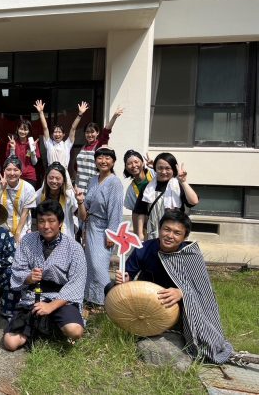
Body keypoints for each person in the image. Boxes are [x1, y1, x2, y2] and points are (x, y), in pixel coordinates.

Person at [110, 210, 233, 364]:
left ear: (185, 237)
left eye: (177, 233)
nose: (170, 236)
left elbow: (203, 291)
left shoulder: (190, 255)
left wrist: (182, 293)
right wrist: (125, 279)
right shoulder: (144, 248)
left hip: (176, 305)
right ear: (159, 229)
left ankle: (181, 333)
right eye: (166, 229)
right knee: (110, 288)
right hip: (145, 300)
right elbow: (128, 274)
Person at [3, 200, 86, 351]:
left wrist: (51, 306)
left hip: (61, 299)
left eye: (51, 221)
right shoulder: (27, 241)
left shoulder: (74, 248)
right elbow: (17, 269)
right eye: (41, 221)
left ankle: (51, 327)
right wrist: (29, 277)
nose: (46, 226)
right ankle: (40, 328)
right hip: (33, 296)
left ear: (60, 223)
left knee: (75, 331)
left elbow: (77, 283)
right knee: (10, 343)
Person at [76, 147, 123, 309]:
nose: (103, 161)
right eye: (100, 158)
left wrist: (112, 233)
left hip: (104, 228)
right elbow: (86, 208)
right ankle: (91, 300)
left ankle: (107, 301)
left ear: (113, 162)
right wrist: (80, 201)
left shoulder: (115, 182)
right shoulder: (93, 180)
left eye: (107, 158)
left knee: (99, 266)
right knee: (90, 265)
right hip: (90, 226)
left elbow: (116, 209)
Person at [133, 152, 199, 240]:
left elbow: (194, 201)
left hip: (174, 235)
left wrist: (183, 182)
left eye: (168, 168)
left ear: (173, 169)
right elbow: (141, 211)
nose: (164, 172)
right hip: (153, 234)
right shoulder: (147, 188)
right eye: (160, 168)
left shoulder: (178, 186)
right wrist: (140, 233)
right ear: (155, 168)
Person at [75, 107, 123, 195]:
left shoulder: (99, 146)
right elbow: (77, 168)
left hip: (93, 187)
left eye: (92, 132)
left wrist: (114, 116)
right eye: (87, 132)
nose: (90, 135)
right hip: (80, 188)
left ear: (97, 133)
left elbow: (106, 131)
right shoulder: (83, 147)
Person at [0, 156, 36, 244]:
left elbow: (25, 213)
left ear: (21, 172)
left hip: (22, 228)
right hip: (1, 227)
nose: (12, 173)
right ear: (4, 171)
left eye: (15, 170)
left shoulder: (28, 188)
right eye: (8, 169)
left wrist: (18, 233)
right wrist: (2, 189)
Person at [34, 100, 88, 170]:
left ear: (63, 134)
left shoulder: (67, 145)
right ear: (52, 134)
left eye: (59, 132)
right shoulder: (49, 143)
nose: (57, 134)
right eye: (55, 132)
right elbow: (45, 128)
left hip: (64, 174)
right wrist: (41, 112)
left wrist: (80, 115)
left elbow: (73, 128)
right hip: (51, 174)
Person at [35, 162, 78, 239]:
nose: (54, 181)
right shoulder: (39, 194)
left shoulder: (69, 195)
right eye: (51, 178)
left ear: (63, 180)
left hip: (64, 233)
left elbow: (79, 214)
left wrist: (80, 202)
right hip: (45, 233)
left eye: (58, 178)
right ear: (46, 178)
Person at [122, 149, 155, 238]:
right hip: (147, 227)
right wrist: (137, 235)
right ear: (126, 168)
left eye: (136, 162)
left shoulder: (154, 174)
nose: (133, 165)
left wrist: (155, 167)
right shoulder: (131, 190)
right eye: (129, 164)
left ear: (143, 163)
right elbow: (135, 213)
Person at [6, 119, 40, 188]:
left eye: (25, 130)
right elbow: (10, 161)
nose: (23, 132)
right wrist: (12, 148)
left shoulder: (32, 143)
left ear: (29, 131)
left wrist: (32, 151)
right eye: (21, 129)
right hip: (15, 175)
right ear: (17, 129)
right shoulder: (12, 142)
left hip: (29, 176)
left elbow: (34, 163)